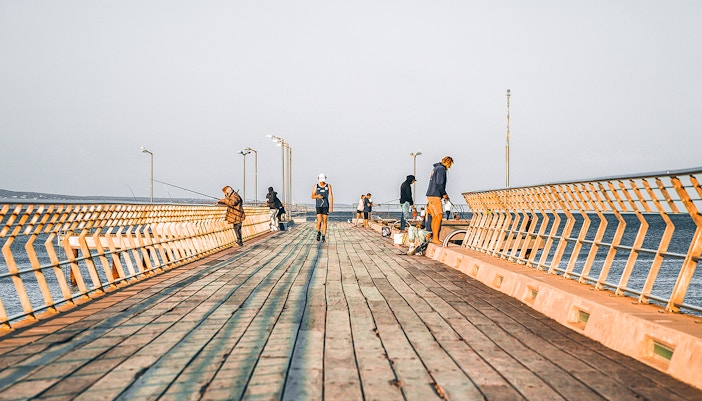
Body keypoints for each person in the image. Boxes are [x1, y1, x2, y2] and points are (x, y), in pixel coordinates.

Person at [425, 156, 454, 244]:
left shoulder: (436, 168)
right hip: (435, 195)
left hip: (431, 194)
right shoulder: (441, 169)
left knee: (435, 217)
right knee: (439, 216)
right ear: (448, 163)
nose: (449, 167)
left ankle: (434, 237)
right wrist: (444, 194)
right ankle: (435, 238)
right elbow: (440, 183)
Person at [311, 173, 333, 242]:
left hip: (325, 205)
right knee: (319, 220)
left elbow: (331, 196)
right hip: (318, 205)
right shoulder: (316, 186)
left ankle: (323, 235)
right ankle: (318, 232)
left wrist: (331, 206)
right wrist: (317, 196)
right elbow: (312, 196)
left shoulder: (328, 186)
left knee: (325, 221)